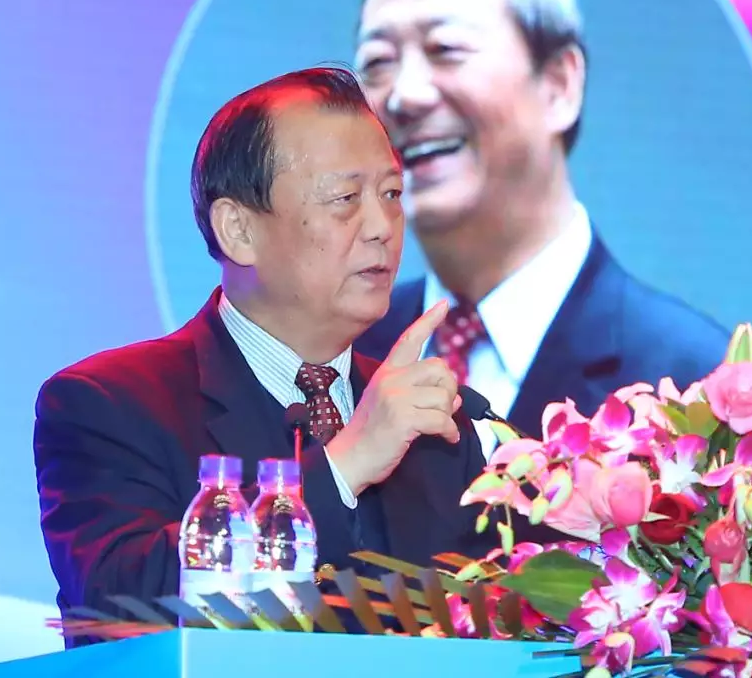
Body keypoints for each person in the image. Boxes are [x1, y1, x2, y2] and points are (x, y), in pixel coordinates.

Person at [33, 68, 492, 644]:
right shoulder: (107, 404)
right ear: (238, 230)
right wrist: (345, 465)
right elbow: (122, 606)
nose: (383, 227)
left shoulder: (440, 422)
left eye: (392, 195)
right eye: (345, 198)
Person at [353, 0, 730, 444]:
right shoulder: (333, 356)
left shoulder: (694, 386)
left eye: (445, 49)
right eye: (378, 62)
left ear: (558, 85)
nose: (405, 95)